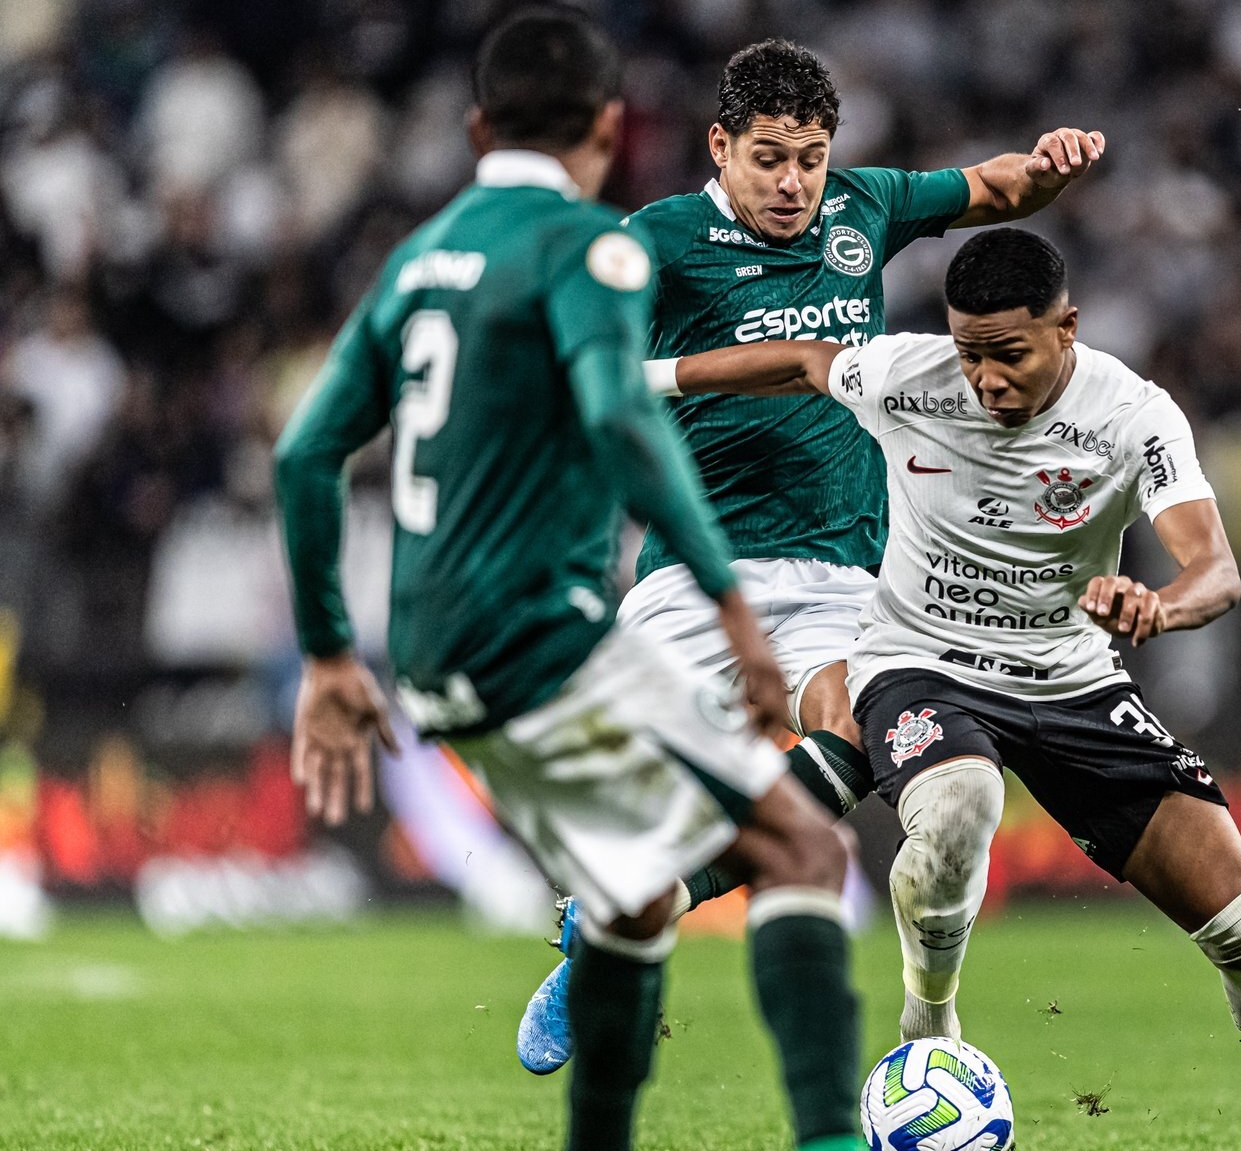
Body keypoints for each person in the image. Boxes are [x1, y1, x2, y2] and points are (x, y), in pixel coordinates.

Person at [272, 9, 863, 1150]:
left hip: (431, 657)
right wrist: (732, 605)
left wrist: (327, 652)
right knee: (802, 848)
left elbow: (305, 453)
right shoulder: (589, 247)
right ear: (609, 126)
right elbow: (621, 419)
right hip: (542, 640)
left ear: (475, 126)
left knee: (635, 897)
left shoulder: (419, 260)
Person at [652, 227, 1241, 1151]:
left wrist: (1157, 603)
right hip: (920, 660)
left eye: (1009, 355)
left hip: (1073, 683)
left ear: (1067, 328)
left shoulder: (1132, 414)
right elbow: (798, 360)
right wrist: (652, 380)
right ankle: (930, 1022)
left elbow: (1217, 570)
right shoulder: (911, 376)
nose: (985, 378)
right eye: (969, 352)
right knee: (960, 802)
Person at [518, 36, 1107, 1074]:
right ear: (720, 147)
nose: (794, 182)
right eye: (769, 158)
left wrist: (1047, 168)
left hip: (844, 573)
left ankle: (657, 907)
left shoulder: (861, 208)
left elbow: (995, 190)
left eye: (811, 156)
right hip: (698, 576)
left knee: (855, 720)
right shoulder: (660, 236)